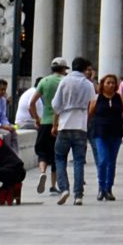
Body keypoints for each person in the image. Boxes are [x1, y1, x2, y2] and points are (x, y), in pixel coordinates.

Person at [51, 54, 97, 204]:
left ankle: (64, 188)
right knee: (78, 161)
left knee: (60, 158)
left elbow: (56, 104)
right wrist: (87, 117)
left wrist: (56, 122)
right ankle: (78, 195)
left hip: (65, 123)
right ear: (84, 69)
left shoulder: (65, 81)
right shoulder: (88, 84)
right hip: (81, 125)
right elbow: (93, 103)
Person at [87, 72, 123, 200]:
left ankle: (109, 188)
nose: (110, 85)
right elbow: (89, 115)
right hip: (100, 133)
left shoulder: (119, 97)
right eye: (108, 83)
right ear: (102, 85)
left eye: (113, 83)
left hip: (116, 133)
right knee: (103, 160)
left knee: (112, 161)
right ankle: (101, 187)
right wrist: (86, 130)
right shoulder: (96, 98)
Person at [32, 59, 67, 193]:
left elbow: (32, 103)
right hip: (60, 123)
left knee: (42, 150)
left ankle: (42, 172)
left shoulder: (44, 81)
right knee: (57, 154)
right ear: (63, 69)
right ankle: (53, 185)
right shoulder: (64, 81)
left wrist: (36, 118)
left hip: (45, 121)